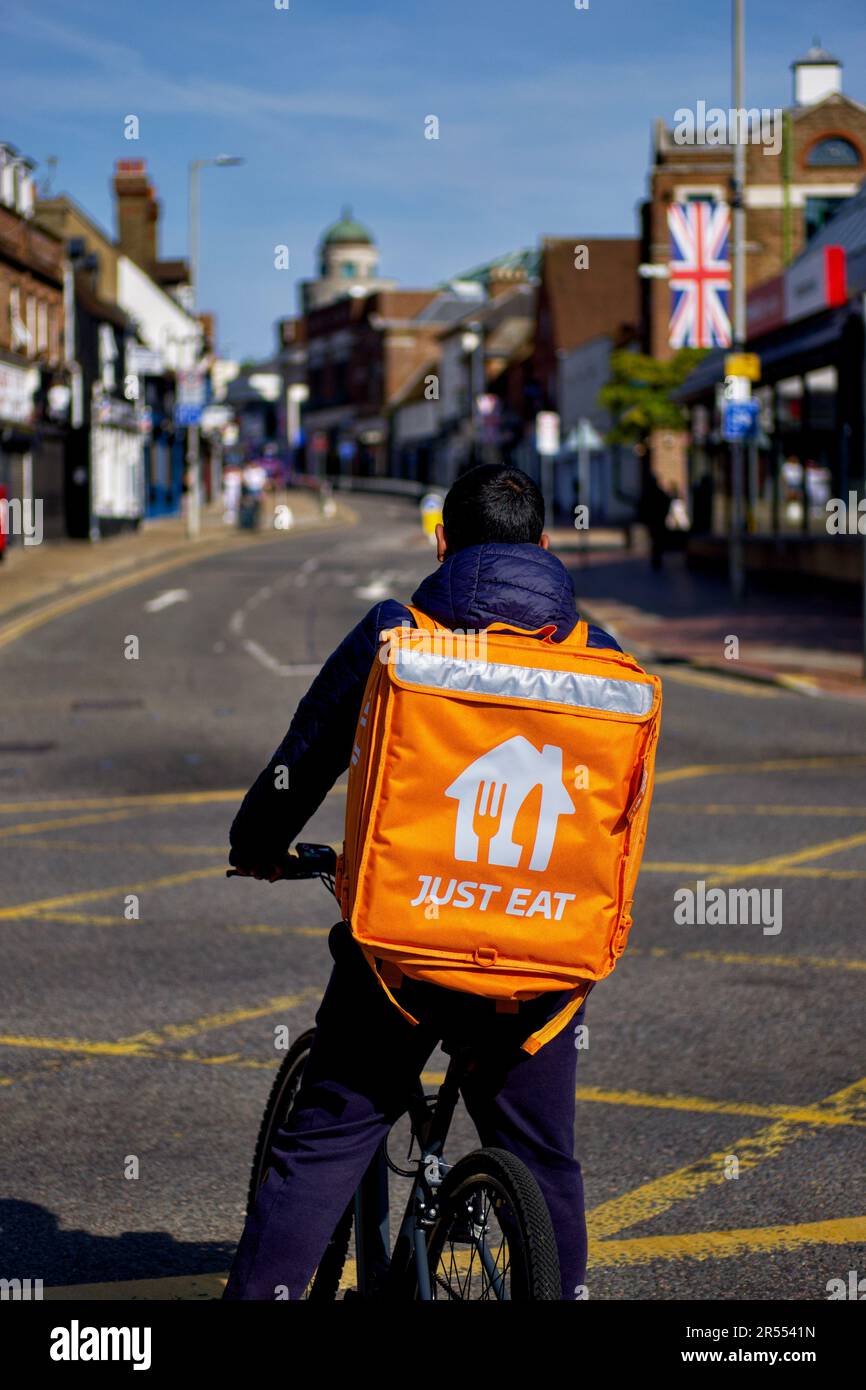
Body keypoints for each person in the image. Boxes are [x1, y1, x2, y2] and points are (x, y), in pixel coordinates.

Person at [222, 463, 621, 1301]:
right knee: (546, 1164)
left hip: (403, 961)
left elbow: (306, 759)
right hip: (539, 966)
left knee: (322, 1146)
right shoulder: (602, 660)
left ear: (441, 543)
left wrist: (259, 843)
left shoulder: (393, 634)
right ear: (546, 548)